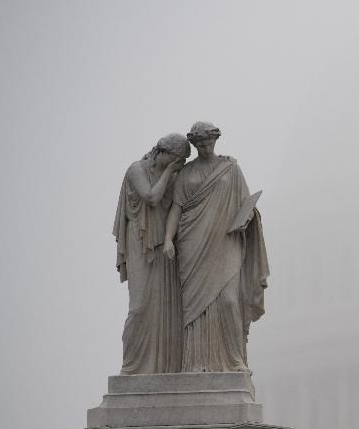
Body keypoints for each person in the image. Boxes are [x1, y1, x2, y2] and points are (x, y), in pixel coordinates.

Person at [164, 121, 269, 372]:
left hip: (227, 240)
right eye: (199, 144)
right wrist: (168, 239)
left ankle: (234, 360)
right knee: (195, 309)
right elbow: (176, 209)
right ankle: (196, 362)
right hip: (193, 242)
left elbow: (246, 204)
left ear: (215, 140)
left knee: (229, 301)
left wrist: (247, 218)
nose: (205, 147)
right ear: (194, 144)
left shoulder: (230, 169)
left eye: (208, 142)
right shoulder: (186, 174)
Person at [113, 133, 190, 374]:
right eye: (177, 159)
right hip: (140, 241)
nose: (179, 166)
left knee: (165, 308)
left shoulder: (175, 175)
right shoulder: (136, 169)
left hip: (164, 246)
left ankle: (163, 368)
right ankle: (132, 367)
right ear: (163, 152)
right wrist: (169, 172)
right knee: (139, 307)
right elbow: (151, 197)